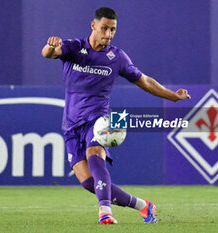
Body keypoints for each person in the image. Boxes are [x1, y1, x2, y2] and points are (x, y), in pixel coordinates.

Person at [42, 7, 190, 225]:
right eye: (104, 28)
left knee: (95, 151)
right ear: (93, 26)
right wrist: (50, 46)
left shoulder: (117, 57)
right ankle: (144, 205)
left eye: (112, 30)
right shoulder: (75, 48)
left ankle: (105, 211)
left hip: (101, 118)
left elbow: (145, 81)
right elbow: (49, 53)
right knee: (87, 182)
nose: (108, 34)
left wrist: (173, 97)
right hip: (71, 123)